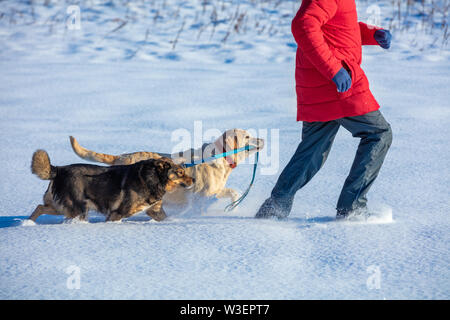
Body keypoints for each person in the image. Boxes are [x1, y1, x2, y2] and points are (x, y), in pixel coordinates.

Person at [255, 0, 393, 220]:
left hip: (322, 85)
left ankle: (275, 207)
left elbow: (339, 28)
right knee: (379, 133)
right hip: (336, 83)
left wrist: (371, 34)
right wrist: (333, 70)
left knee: (313, 149)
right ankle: (352, 208)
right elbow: (303, 24)